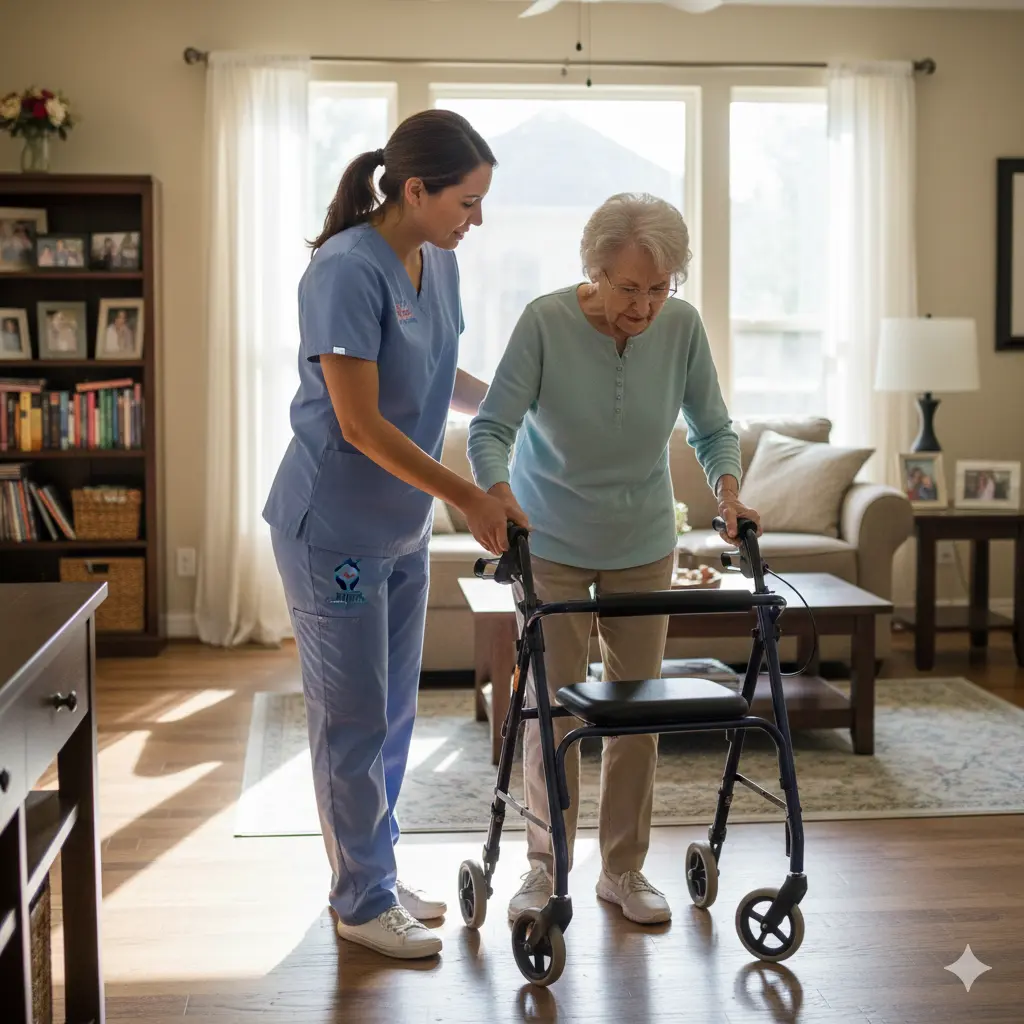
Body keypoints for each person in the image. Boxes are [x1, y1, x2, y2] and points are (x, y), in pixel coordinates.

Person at [262, 109, 528, 962]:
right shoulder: (343, 270)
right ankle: (360, 900)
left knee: (396, 713)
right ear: (415, 190)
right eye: (468, 200)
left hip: (401, 527)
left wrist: (521, 409)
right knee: (353, 720)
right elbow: (364, 425)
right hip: (333, 526)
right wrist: (470, 500)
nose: (476, 219)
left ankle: (375, 871)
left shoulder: (436, 261)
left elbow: (442, 374)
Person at [467, 192, 760, 927]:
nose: (645, 306)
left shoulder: (682, 327)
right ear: (591, 271)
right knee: (551, 710)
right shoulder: (545, 321)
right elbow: (491, 428)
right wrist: (499, 498)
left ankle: (622, 869)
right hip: (552, 541)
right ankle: (544, 867)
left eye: (660, 289)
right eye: (628, 288)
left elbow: (714, 427)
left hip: (642, 541)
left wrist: (729, 494)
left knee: (637, 713)